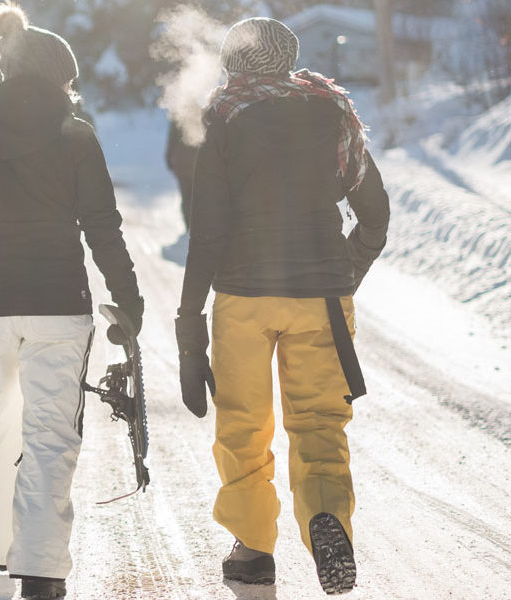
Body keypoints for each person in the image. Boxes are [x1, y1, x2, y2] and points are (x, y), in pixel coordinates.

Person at [0, 3, 142, 599]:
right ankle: (39, 570)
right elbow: (103, 225)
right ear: (57, 76)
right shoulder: (76, 136)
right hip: (60, 305)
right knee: (49, 435)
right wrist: (128, 298)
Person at [174, 17, 389, 595]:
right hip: (321, 295)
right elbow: (376, 216)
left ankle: (252, 550)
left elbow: (208, 231)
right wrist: (348, 272)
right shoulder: (333, 112)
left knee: (244, 423)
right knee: (320, 420)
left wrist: (188, 322)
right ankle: (326, 516)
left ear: (233, 63)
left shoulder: (224, 116)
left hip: (244, 296)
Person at [165, 120, 198, 231]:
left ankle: (189, 224)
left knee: (187, 196)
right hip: (197, 161)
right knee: (198, 195)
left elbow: (172, 138)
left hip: (182, 161)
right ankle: (195, 224)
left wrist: (169, 157)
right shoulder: (203, 109)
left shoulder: (178, 112)